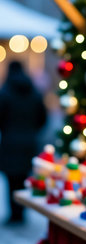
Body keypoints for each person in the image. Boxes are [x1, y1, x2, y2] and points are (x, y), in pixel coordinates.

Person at [0, 61, 47, 223]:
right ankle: (22, 212)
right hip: (29, 142)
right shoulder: (34, 92)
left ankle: (14, 214)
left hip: (10, 143)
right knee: (24, 178)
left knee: (12, 179)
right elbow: (43, 117)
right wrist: (32, 131)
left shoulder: (5, 92)